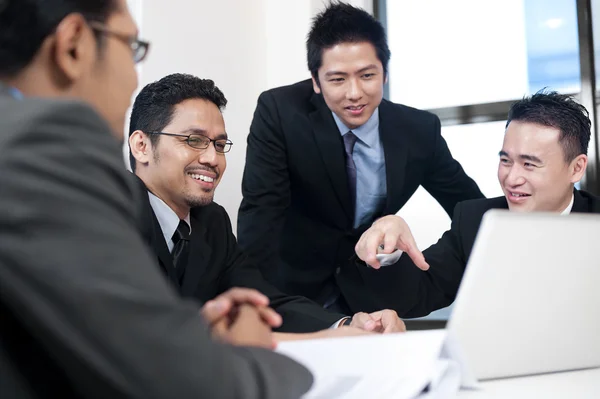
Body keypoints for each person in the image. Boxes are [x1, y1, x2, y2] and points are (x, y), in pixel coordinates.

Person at [0, 1, 314, 397]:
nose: (134, 79)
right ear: (73, 45)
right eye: (131, 47)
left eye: (219, 144)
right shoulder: (42, 147)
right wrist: (247, 355)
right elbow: (161, 367)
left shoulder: (211, 222)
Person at [237, 2, 484, 316]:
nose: (354, 93)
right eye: (338, 80)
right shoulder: (281, 112)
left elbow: (467, 206)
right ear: (316, 81)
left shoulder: (418, 130)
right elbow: (261, 215)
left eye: (367, 75)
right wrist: (250, 302)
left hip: (373, 293)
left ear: (384, 73)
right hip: (293, 292)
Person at [128, 73, 406, 337]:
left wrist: (348, 325)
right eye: (195, 140)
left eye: (220, 144)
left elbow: (265, 302)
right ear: (141, 145)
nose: (213, 158)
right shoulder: (109, 214)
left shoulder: (212, 222)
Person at [354, 90, 600, 317]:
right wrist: (389, 251)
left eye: (529, 164)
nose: (512, 179)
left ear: (576, 168)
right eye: (505, 161)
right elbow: (416, 296)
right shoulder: (475, 221)